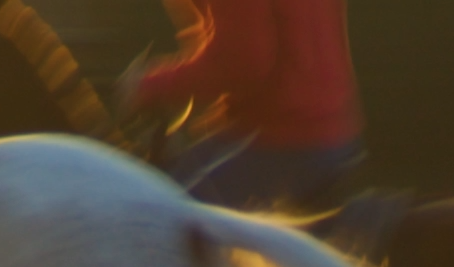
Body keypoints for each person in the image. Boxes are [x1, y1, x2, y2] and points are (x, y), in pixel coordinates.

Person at [120, 0, 363, 212]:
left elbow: (242, 62)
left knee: (155, 214)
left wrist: (150, 85)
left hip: (281, 139)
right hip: (333, 132)